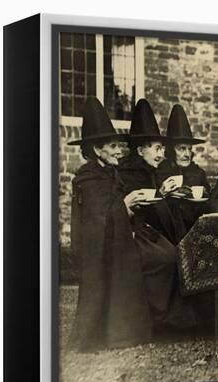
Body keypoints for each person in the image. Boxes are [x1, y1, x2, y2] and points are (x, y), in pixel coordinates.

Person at [68, 98, 174, 352]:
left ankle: (160, 321)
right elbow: (96, 223)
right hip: (103, 250)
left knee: (168, 254)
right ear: (97, 150)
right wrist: (125, 206)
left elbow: (113, 210)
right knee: (161, 259)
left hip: (122, 238)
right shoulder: (89, 178)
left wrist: (132, 205)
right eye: (113, 146)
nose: (119, 151)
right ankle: (139, 326)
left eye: (118, 146)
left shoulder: (109, 173)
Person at [118, 99, 187, 245]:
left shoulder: (150, 170)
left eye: (162, 148)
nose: (161, 154)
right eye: (157, 149)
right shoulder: (126, 173)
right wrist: (160, 195)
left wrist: (162, 194)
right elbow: (142, 214)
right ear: (140, 151)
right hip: (135, 238)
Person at [157, 104, 211, 232]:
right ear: (171, 150)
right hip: (166, 230)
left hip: (194, 229)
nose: (187, 154)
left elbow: (209, 204)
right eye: (182, 149)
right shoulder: (159, 171)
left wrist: (204, 192)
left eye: (189, 149)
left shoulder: (198, 173)